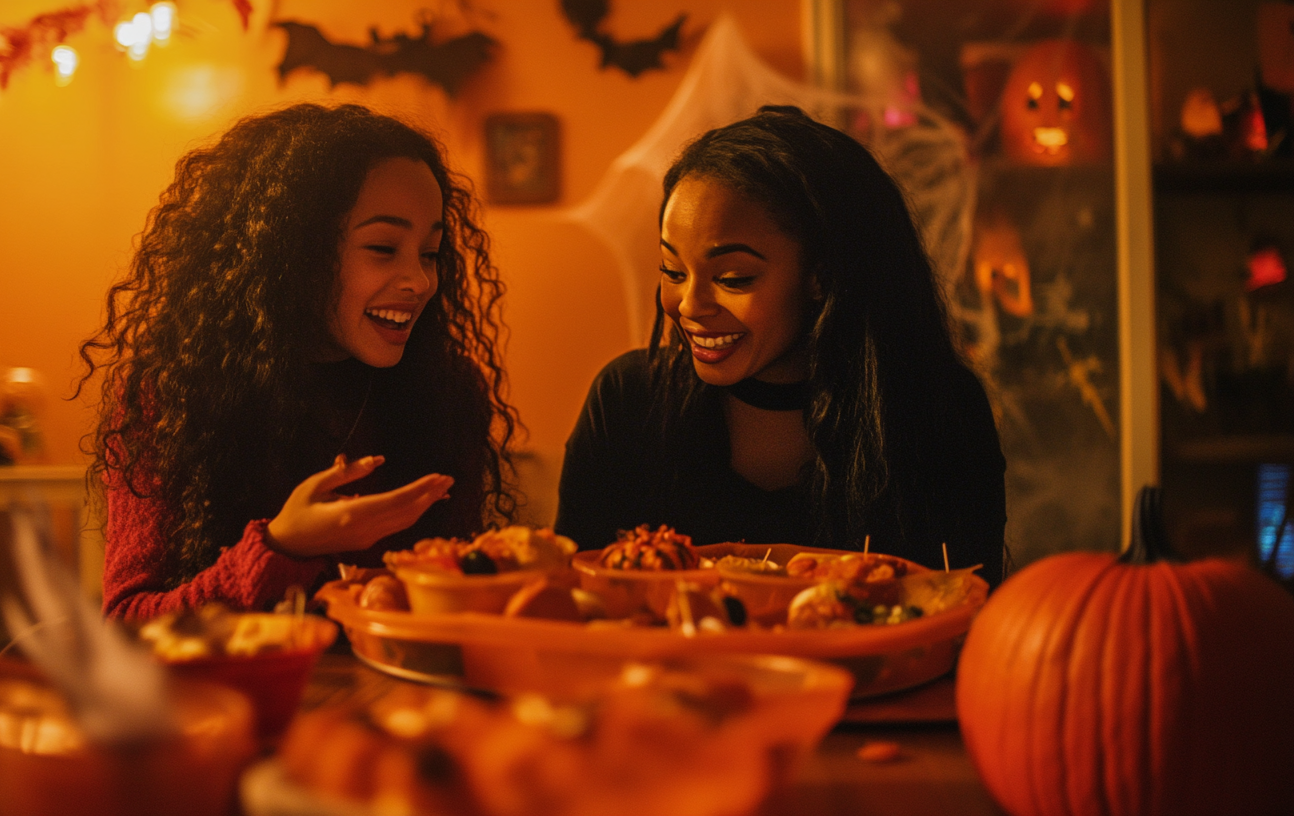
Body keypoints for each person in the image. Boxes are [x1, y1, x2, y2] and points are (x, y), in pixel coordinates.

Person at [79, 103, 518, 618]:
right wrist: (283, 548)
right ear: (295, 254)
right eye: (382, 247)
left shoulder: (446, 394)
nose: (419, 281)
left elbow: (461, 598)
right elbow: (127, 623)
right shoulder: (175, 394)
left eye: (430, 253)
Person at [556, 105, 1006, 582]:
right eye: (673, 271)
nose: (689, 305)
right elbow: (568, 604)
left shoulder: (937, 413)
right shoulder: (627, 404)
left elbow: (965, 621)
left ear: (823, 276)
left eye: (733, 277)